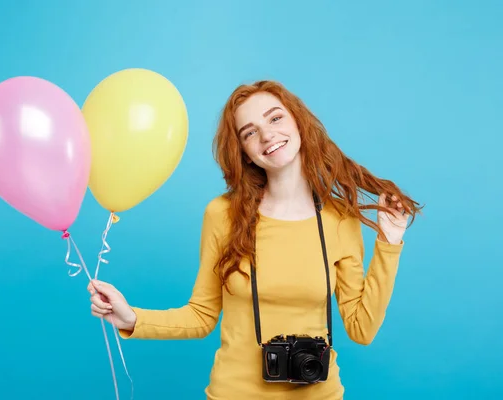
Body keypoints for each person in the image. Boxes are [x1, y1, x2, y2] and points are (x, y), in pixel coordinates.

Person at [87, 80, 422, 399]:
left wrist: (389, 244)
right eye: (250, 133)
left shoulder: (339, 219)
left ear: (298, 124)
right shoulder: (223, 215)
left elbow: (362, 329)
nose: (267, 135)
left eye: (275, 118)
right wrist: (132, 318)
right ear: (245, 153)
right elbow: (202, 316)